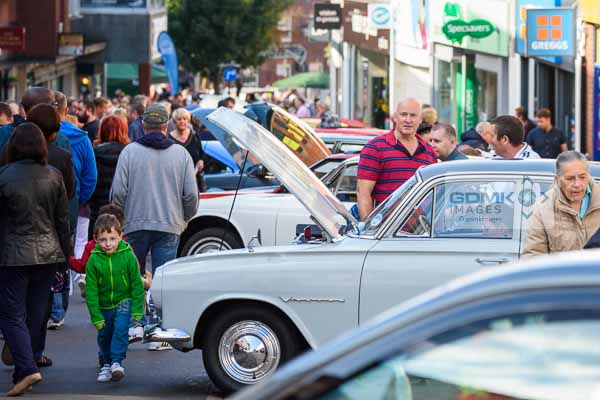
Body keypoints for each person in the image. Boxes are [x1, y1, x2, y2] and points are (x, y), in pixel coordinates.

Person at [110, 103, 198, 350]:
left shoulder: (130, 152)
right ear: (165, 125)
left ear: (144, 124)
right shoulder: (181, 155)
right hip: (170, 223)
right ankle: (158, 332)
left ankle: (132, 325)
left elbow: (118, 192)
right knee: (162, 281)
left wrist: (122, 218)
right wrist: (184, 218)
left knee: (131, 278)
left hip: (134, 222)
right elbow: (191, 196)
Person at [0, 123, 70, 396]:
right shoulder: (54, 175)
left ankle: (27, 368)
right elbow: (63, 221)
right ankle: (23, 369)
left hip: (11, 254)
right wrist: (64, 258)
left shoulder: (3, 176)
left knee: (11, 313)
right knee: (35, 314)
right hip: (48, 253)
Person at [85, 214, 145, 382]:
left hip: (123, 300)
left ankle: (117, 363)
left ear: (120, 236)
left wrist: (137, 310)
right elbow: (91, 290)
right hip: (104, 305)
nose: (108, 244)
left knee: (120, 329)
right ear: (95, 239)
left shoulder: (127, 255)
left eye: (112, 238)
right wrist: (95, 316)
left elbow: (136, 284)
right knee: (104, 334)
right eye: (103, 239)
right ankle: (106, 364)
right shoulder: (94, 260)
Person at [357, 98, 437, 220]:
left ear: (420, 119)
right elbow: (363, 193)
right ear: (395, 117)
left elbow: (434, 196)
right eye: (403, 114)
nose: (408, 120)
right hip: (385, 231)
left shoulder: (429, 152)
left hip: (420, 233)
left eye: (413, 115)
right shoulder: (375, 147)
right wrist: (370, 230)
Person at [523, 151, 600, 257]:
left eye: (582, 177)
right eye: (570, 179)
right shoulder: (543, 209)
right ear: (557, 180)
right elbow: (533, 256)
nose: (577, 184)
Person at [89, 115, 129, 238]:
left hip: (98, 207)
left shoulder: (94, 153)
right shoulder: (129, 153)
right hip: (124, 210)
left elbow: (90, 180)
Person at [168, 108, 205, 191]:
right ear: (174, 122)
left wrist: (201, 161)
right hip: (176, 183)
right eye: (179, 119)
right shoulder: (169, 139)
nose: (182, 121)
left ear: (188, 121)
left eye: (184, 119)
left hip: (195, 181)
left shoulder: (195, 136)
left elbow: (201, 154)